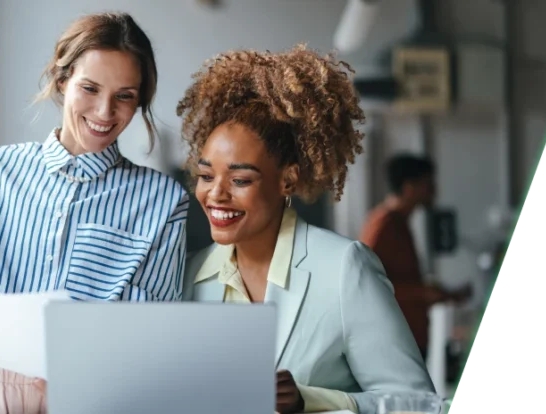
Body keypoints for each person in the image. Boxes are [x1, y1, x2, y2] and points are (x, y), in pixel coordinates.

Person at [0, 12, 189, 414]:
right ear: (62, 81)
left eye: (125, 96)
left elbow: (151, 334)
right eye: (89, 88)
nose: (105, 111)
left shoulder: (163, 200)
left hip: (102, 398)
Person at [177, 44, 436, 414]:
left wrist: (308, 401)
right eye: (205, 176)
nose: (215, 194)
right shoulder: (189, 277)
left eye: (240, 180)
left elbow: (420, 404)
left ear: (288, 180)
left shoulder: (344, 268)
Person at [360, 154, 470, 359]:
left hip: (408, 340)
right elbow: (367, 287)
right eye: (428, 184)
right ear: (409, 187)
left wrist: (444, 294)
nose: (434, 190)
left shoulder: (400, 223)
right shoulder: (384, 225)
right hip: (393, 344)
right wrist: (422, 293)